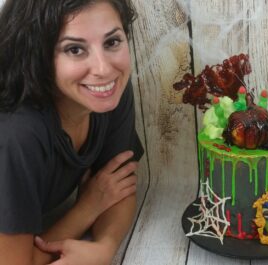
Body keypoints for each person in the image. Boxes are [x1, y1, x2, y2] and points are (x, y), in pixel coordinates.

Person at [0, 0, 144, 264]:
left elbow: (118, 188)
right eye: (75, 49)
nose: (103, 69)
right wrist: (86, 209)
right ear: (38, 56)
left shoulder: (106, 93)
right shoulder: (17, 134)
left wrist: (104, 246)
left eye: (112, 42)